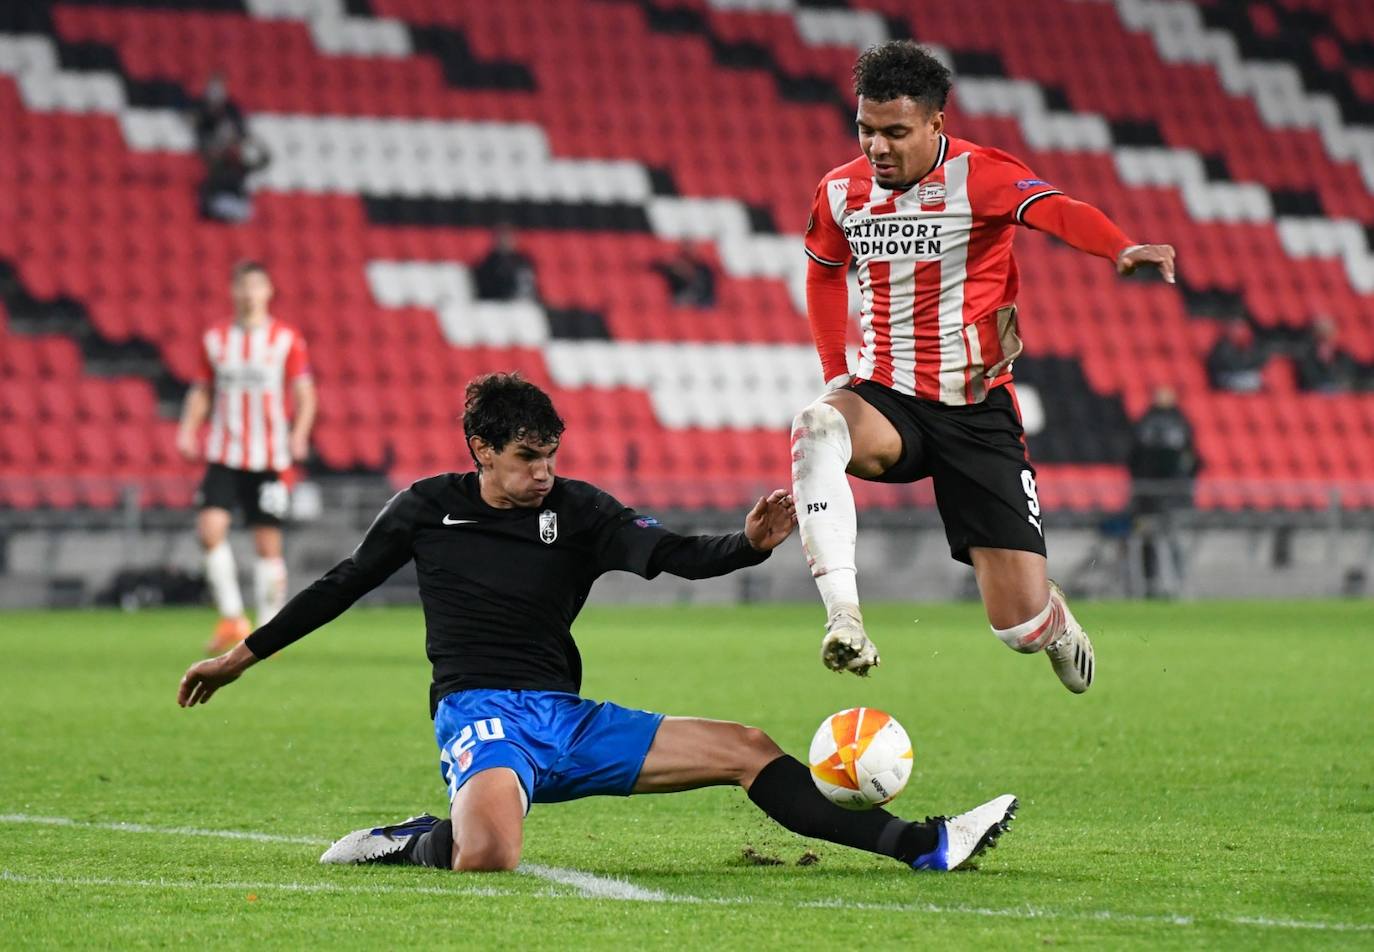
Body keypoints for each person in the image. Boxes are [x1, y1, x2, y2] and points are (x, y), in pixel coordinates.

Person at [176, 373, 1017, 874]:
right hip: (482, 713)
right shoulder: (427, 510)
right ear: (480, 449)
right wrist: (241, 658)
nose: (545, 473)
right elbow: (341, 583)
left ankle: (921, 844)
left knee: (747, 746)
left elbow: (670, 553)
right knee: (490, 858)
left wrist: (748, 545)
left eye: (551, 456)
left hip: (566, 720)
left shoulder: (577, 509)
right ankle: (412, 840)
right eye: (526, 459)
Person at [792, 41, 1177, 693]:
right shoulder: (840, 191)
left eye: (895, 132)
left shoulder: (984, 175)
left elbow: (1056, 209)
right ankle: (845, 620)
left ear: (936, 123)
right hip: (889, 398)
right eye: (865, 130)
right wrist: (837, 374)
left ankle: (1052, 622)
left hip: (977, 410)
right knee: (817, 426)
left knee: (1017, 628)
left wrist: (1119, 245)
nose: (877, 147)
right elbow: (825, 275)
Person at [176, 261, 317, 654]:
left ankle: (270, 630)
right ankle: (233, 618)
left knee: (267, 544)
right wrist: (188, 428)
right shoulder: (216, 339)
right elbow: (203, 389)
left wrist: (299, 433)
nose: (249, 293)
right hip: (224, 452)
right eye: (242, 286)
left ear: (268, 290)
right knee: (209, 531)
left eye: (256, 286)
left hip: (269, 456)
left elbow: (305, 393)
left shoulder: (286, 338)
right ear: (233, 291)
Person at [1127, 387, 1199, 598]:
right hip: (1170, 497)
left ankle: (1154, 584)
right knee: (1168, 541)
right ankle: (1174, 584)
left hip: (1148, 497)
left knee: (1152, 541)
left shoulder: (1145, 423)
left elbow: (1133, 459)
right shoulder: (1181, 424)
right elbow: (1193, 460)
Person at [191, 73, 270, 223]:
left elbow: (265, 161)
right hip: (218, 204)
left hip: (235, 204)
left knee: (246, 211)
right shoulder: (216, 162)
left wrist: (255, 142)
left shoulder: (240, 165)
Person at [1294, 316, 1358, 393]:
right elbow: (1309, 379)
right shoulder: (1306, 355)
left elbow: (1347, 375)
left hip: (1338, 391)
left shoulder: (1343, 355)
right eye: (1322, 334)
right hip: (1315, 392)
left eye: (1328, 333)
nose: (1326, 337)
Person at [473, 224, 538, 301]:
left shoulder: (524, 261)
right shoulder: (487, 264)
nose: (506, 240)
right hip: (497, 305)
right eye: (503, 237)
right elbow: (485, 291)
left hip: (522, 305)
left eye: (509, 237)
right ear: (495, 239)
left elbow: (530, 288)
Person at [1205, 317, 1266, 393]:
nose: (1239, 331)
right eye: (1236, 328)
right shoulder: (1221, 348)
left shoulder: (1254, 347)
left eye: (1242, 327)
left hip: (1245, 378)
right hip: (1226, 379)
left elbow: (1259, 362)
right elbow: (1222, 365)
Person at [656, 241, 717, 307]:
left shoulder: (704, 270)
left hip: (702, 304)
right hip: (680, 301)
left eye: (692, 250)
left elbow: (707, 297)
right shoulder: (674, 268)